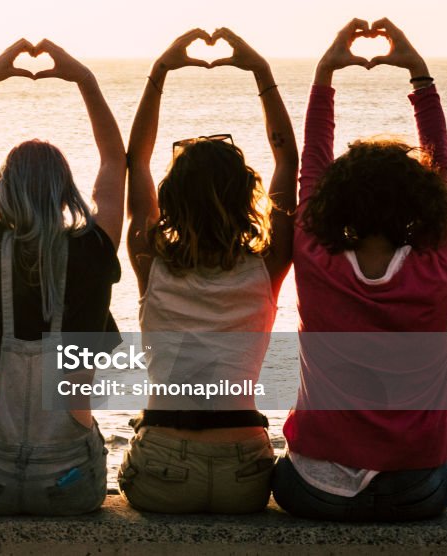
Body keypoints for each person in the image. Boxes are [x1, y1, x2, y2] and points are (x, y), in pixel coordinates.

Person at [272, 18, 447, 522]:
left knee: (281, 472)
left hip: (315, 490)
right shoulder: (439, 266)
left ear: (337, 202)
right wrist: (420, 75)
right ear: (424, 204)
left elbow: (312, 164)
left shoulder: (315, 258)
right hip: (418, 490)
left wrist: (326, 72)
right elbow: (443, 170)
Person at [116, 28, 298, 514]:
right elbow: (288, 159)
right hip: (245, 470)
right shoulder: (268, 266)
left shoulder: (150, 262)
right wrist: (260, 71)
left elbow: (134, 164)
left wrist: (160, 72)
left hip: (162, 467)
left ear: (171, 199)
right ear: (245, 195)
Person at [0, 39, 125, 516]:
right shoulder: (94, 247)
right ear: (66, 189)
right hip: (68, 480)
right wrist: (83, 79)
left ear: (3, 186)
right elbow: (114, 163)